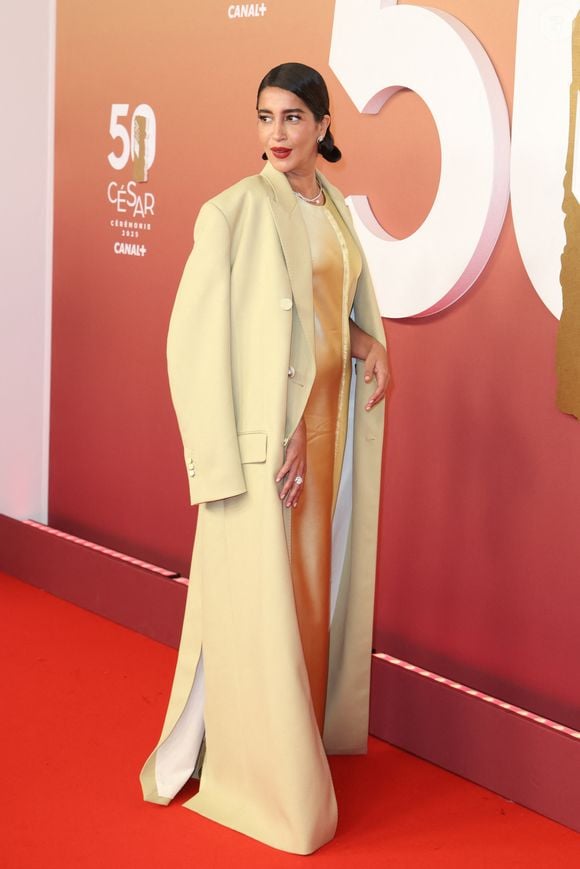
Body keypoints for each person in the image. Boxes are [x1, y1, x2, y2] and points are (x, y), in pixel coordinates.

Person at [139, 62, 389, 855]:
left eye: (292, 117)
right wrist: (237, 453)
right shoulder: (232, 212)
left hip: (327, 433)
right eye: (264, 117)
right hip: (267, 452)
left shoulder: (334, 208)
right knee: (256, 608)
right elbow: (191, 344)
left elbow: (321, 313)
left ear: (323, 125)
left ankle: (295, 736)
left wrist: (368, 343)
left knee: (309, 594)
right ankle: (262, 771)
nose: (275, 134)